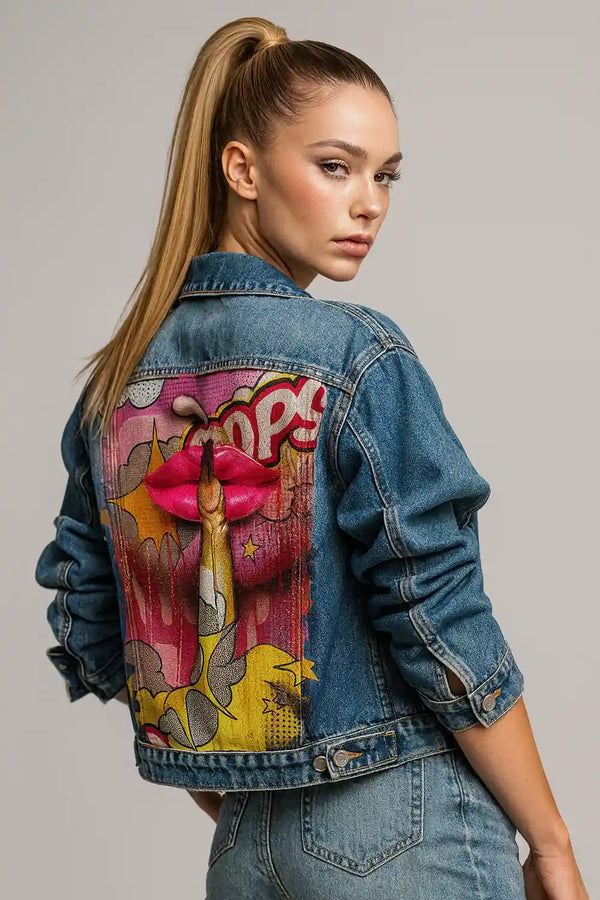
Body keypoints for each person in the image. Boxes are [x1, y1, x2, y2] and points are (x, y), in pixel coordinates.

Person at [34, 16, 589, 900]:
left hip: (246, 850)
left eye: (385, 175)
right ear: (242, 169)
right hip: (405, 821)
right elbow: (436, 607)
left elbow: (91, 614)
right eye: (336, 166)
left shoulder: (120, 382)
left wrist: (236, 786)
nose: (369, 203)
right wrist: (551, 840)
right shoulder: (356, 354)